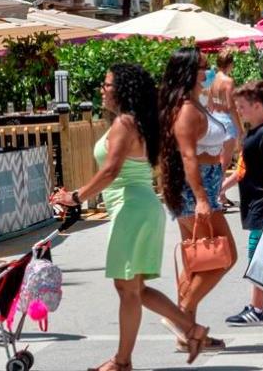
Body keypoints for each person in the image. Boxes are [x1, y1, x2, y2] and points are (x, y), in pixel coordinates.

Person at [50, 64, 209, 371]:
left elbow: (110, 171)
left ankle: (122, 362)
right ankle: (191, 330)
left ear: (123, 89)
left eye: (107, 85)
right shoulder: (137, 121)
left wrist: (76, 197)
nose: (102, 90)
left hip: (131, 210)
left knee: (128, 290)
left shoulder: (125, 122)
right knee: (135, 290)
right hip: (140, 208)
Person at [158, 47, 237, 352]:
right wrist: (203, 198)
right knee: (223, 256)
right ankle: (181, 316)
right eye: (202, 66)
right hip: (196, 191)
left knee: (196, 263)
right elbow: (189, 156)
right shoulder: (186, 110)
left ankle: (187, 332)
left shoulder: (193, 104)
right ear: (189, 71)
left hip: (199, 188)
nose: (207, 70)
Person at [224, 80, 263, 327]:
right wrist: (222, 187)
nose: (239, 111)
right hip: (254, 203)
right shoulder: (252, 133)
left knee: (259, 256)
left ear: (259, 106)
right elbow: (243, 169)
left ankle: (257, 309)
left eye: (242, 106)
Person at [208, 45, 243, 208]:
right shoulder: (228, 82)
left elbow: (210, 103)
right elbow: (231, 106)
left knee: (218, 159)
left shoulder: (214, 79)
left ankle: (220, 195)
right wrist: (240, 128)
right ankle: (216, 194)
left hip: (215, 119)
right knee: (224, 161)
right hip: (227, 121)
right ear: (230, 63)